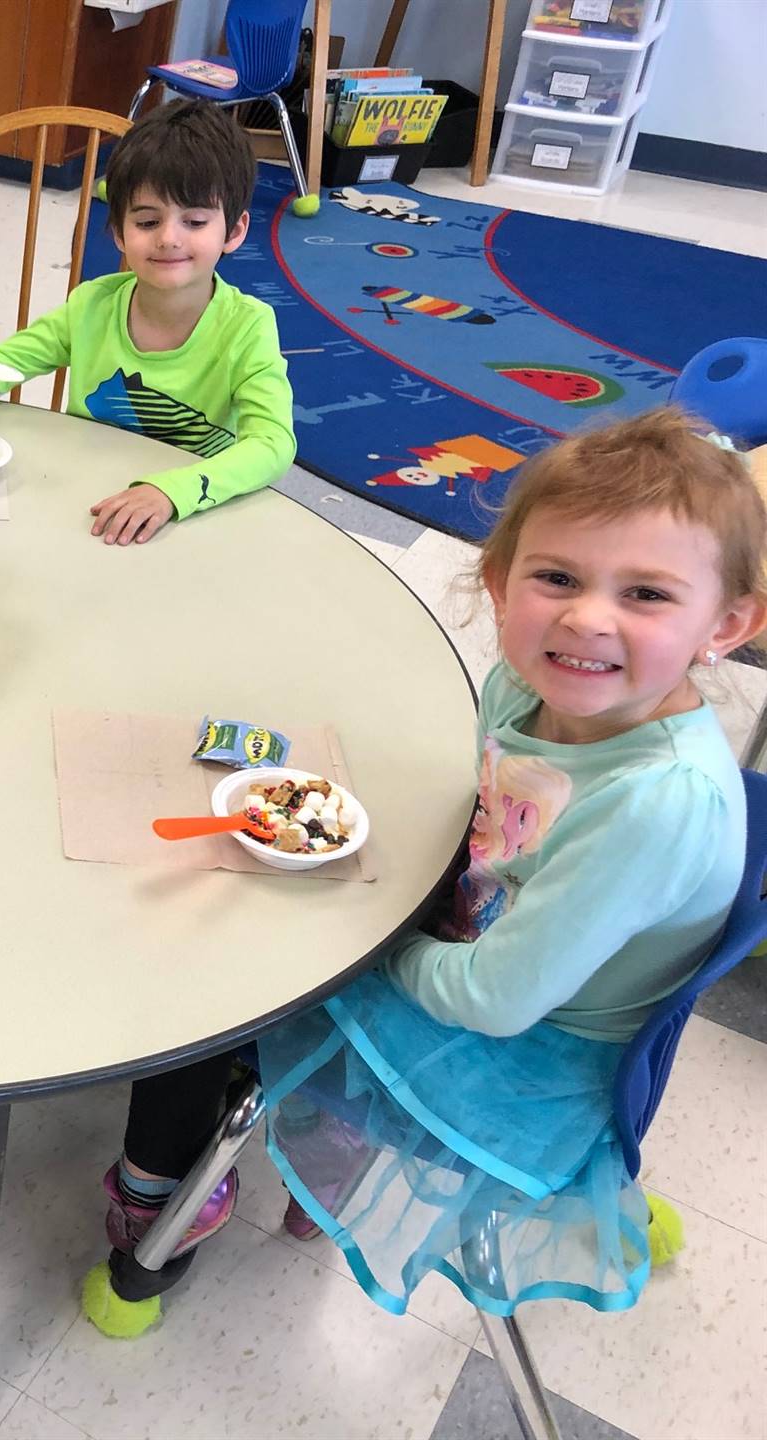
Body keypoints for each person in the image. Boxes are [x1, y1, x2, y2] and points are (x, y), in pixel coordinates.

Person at [83, 408, 767, 1337]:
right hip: (503, 940)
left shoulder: (658, 802)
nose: (586, 617)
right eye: (557, 576)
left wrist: (366, 944)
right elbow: (484, 810)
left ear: (726, 624)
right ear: (498, 580)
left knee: (213, 985)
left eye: (645, 595)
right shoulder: (537, 684)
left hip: (523, 1054)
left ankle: (164, 1196)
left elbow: (494, 1001)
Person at [0, 99, 294, 548]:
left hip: (189, 520)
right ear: (120, 233)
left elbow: (273, 444)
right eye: (147, 220)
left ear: (235, 232)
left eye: (195, 220)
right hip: (83, 508)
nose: (168, 237)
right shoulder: (90, 307)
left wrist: (171, 491)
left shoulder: (249, 327)